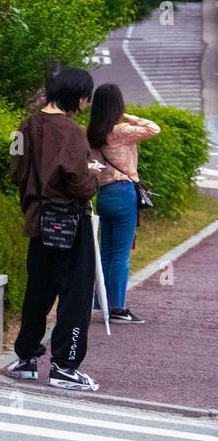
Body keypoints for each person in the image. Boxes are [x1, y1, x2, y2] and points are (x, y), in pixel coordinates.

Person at [6, 67, 103, 391]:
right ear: (79, 97)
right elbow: (78, 181)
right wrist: (94, 176)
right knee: (75, 291)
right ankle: (65, 364)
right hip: (69, 220)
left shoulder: (25, 126)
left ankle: (27, 357)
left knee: (40, 288)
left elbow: (15, 168)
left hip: (37, 218)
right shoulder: (72, 132)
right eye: (86, 98)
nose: (87, 104)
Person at [87, 84, 159, 325]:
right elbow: (153, 128)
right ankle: (117, 307)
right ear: (117, 105)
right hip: (123, 192)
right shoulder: (120, 130)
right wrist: (131, 116)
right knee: (120, 254)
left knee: (107, 252)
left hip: (104, 194)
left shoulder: (92, 132)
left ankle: (103, 301)